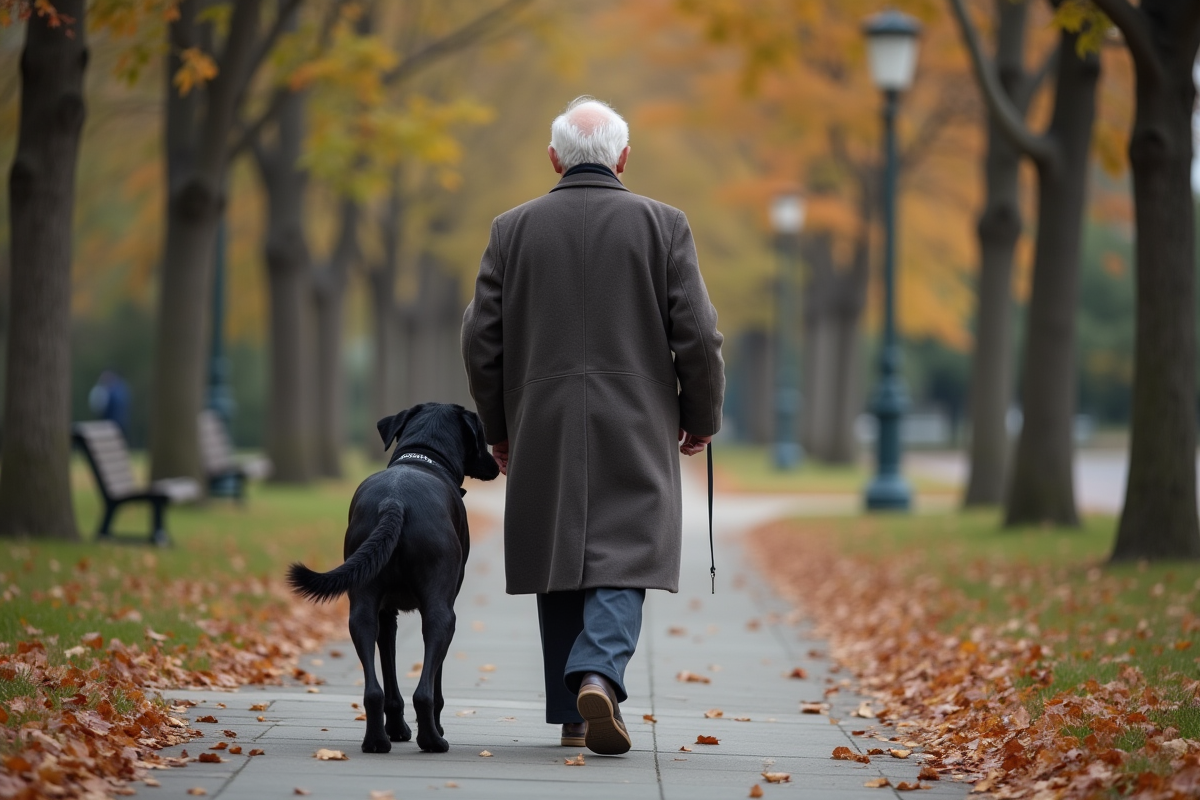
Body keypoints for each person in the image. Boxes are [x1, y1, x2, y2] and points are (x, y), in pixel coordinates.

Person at [461, 96, 725, 755]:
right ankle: (599, 674)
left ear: (553, 158)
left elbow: (481, 340)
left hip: (542, 418)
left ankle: (573, 715)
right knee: (627, 546)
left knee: (561, 555)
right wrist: (700, 416)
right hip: (635, 419)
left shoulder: (510, 229)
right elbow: (698, 336)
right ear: (624, 157)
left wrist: (498, 426)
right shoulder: (663, 225)